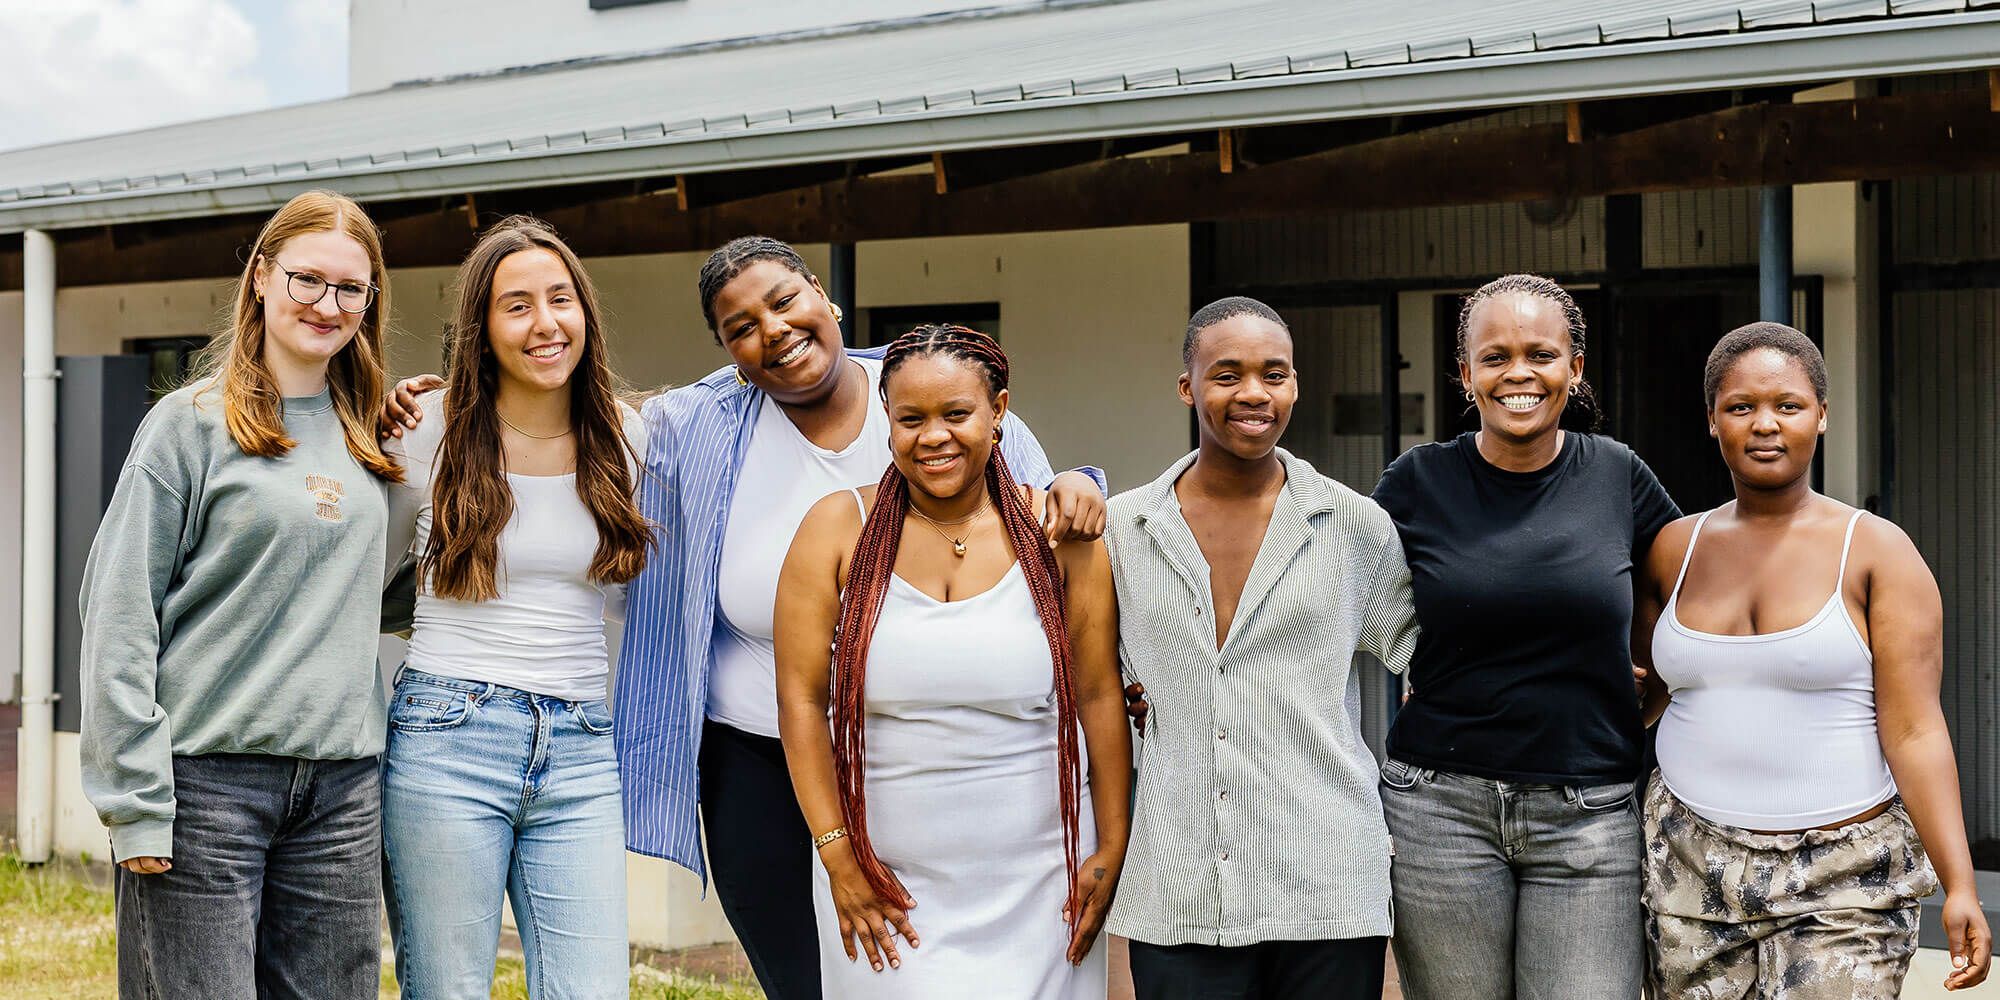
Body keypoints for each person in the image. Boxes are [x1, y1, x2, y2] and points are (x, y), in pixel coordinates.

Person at [381, 235, 1105, 999]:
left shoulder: (922, 387)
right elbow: (570, 421)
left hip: (914, 761)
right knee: (807, 980)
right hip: (751, 759)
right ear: (727, 351)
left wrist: (1081, 480)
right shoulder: (696, 425)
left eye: (785, 301)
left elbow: (1044, 505)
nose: (774, 331)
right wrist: (423, 401)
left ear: (821, 292)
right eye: (741, 327)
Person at [78, 189, 401, 999]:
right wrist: (134, 797)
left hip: (340, 793)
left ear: (370, 300)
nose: (326, 305)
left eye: (349, 289)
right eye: (306, 279)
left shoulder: (372, 436)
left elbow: (375, 594)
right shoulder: (188, 426)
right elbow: (118, 612)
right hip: (205, 788)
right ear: (261, 276)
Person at [1634, 322, 1992, 997]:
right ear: (1713, 421)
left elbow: (1916, 731)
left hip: (1844, 878)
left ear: (1821, 416)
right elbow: (1643, 696)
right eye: (1741, 407)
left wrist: (1960, 882)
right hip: (1689, 868)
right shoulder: (1673, 549)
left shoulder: (1878, 552)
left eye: (1788, 406)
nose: (1765, 424)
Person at [773, 325, 1130, 998]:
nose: (932, 436)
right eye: (911, 418)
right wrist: (838, 857)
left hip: (1041, 885)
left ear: (999, 412)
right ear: (888, 421)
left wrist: (1109, 849)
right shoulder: (835, 528)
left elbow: (1099, 693)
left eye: (955, 414)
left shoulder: (1058, 535)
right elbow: (799, 701)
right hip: (886, 889)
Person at [1369, 274, 1680, 1000]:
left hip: (1589, 815)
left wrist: (1651, 687)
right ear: (1465, 373)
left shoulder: (1617, 474)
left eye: (1541, 354)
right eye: (1495, 355)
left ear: (1575, 369)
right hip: (1438, 810)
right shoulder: (1420, 480)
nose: (1519, 374)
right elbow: (1328, 591)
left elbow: (1692, 597)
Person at [1103, 298, 1417, 999]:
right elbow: (1097, 675)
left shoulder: (1351, 525)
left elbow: (1427, 660)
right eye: (1227, 374)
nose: (1253, 393)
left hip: (1327, 883)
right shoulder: (1124, 529)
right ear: (1188, 387)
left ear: (1294, 386)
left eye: (1273, 374)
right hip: (1180, 888)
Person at [380, 217, 649, 998]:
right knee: (447, 987)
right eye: (517, 304)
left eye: (560, 299)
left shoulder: (624, 438)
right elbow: (372, 577)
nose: (545, 323)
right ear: (482, 328)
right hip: (447, 738)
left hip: (582, 746)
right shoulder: (427, 430)